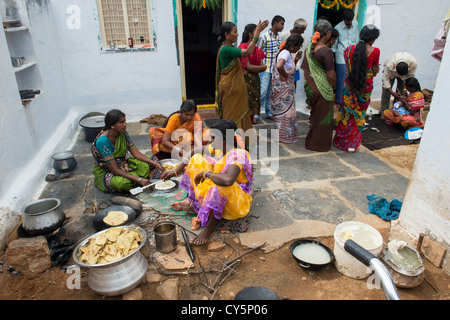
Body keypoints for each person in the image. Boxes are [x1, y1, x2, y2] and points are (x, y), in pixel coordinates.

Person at [161, 120, 253, 245]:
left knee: (221, 185)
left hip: (235, 201)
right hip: (218, 192)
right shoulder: (220, 148)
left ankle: (210, 228)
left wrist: (205, 174)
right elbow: (193, 151)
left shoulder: (238, 155)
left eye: (213, 138)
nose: (210, 141)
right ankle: (197, 204)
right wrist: (176, 171)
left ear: (223, 140)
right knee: (196, 159)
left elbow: (228, 180)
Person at [91, 109, 165, 193]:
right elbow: (114, 169)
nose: (125, 124)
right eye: (121, 122)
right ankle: (144, 179)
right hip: (107, 171)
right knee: (122, 183)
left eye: (125, 121)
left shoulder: (123, 133)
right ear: (112, 125)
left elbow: (136, 153)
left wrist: (154, 163)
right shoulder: (103, 141)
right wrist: (139, 179)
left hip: (123, 164)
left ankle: (146, 177)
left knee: (153, 159)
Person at [216, 20, 269, 133]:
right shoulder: (226, 49)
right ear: (227, 35)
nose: (238, 34)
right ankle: (231, 141)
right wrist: (257, 34)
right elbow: (247, 52)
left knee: (241, 112)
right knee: (231, 115)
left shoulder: (230, 48)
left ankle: (239, 140)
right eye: (235, 32)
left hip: (236, 87)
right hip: (230, 87)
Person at [333, 25, 381, 153]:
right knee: (359, 115)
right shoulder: (375, 51)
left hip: (349, 87)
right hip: (364, 89)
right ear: (373, 39)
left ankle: (340, 141)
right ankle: (351, 144)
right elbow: (374, 70)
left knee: (347, 114)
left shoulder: (349, 49)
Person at [301, 19, 336, 152]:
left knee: (316, 115)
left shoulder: (310, 47)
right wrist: (334, 87)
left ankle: (311, 141)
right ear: (327, 34)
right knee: (322, 117)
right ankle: (318, 144)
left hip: (311, 87)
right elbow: (331, 75)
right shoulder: (326, 51)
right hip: (322, 89)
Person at [269, 33, 304, 143]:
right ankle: (284, 136)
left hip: (281, 89)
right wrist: (286, 76)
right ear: (293, 46)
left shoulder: (284, 52)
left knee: (282, 112)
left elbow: (285, 66)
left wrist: (296, 61)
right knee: (285, 113)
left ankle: (280, 135)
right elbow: (280, 66)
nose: (299, 48)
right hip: (284, 90)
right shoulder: (286, 53)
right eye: (299, 46)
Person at [238, 24, 267, 124]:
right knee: (244, 110)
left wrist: (258, 68)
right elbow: (249, 67)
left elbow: (262, 67)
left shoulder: (257, 49)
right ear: (251, 35)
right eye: (257, 31)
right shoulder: (243, 48)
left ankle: (248, 135)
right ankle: (242, 135)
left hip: (255, 81)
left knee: (251, 110)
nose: (259, 34)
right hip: (245, 81)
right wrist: (260, 68)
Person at [258, 15, 285, 120]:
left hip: (274, 70)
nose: (283, 26)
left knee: (270, 93)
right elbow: (258, 51)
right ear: (275, 23)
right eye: (281, 24)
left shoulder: (279, 37)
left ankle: (268, 113)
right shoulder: (264, 36)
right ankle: (256, 114)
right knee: (262, 92)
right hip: (265, 69)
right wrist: (260, 66)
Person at [331, 9, 359, 107]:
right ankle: (339, 101)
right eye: (347, 22)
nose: (349, 24)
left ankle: (349, 100)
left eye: (350, 21)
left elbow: (357, 40)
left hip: (353, 55)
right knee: (341, 79)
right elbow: (334, 46)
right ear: (343, 19)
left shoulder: (356, 25)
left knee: (351, 79)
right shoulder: (337, 28)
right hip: (341, 56)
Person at [280, 18, 308, 85]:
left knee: (294, 83)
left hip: (296, 65)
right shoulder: (284, 35)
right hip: (285, 66)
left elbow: (301, 49)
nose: (303, 32)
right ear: (296, 28)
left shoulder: (302, 36)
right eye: (302, 30)